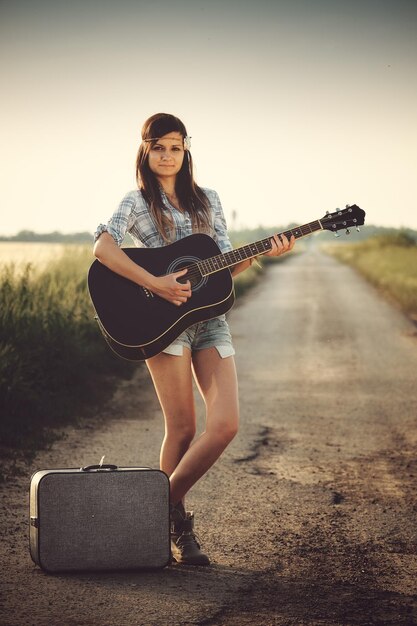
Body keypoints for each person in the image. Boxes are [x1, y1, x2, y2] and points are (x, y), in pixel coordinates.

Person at [93, 113, 295, 566]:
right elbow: (102, 248)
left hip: (209, 321)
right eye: (159, 147)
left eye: (176, 147)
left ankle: (159, 505)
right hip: (162, 321)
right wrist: (157, 282)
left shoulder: (209, 199)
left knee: (225, 425)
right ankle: (177, 528)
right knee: (182, 428)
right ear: (146, 150)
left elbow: (223, 262)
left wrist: (265, 251)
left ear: (187, 152)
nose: (168, 155)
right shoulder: (137, 201)